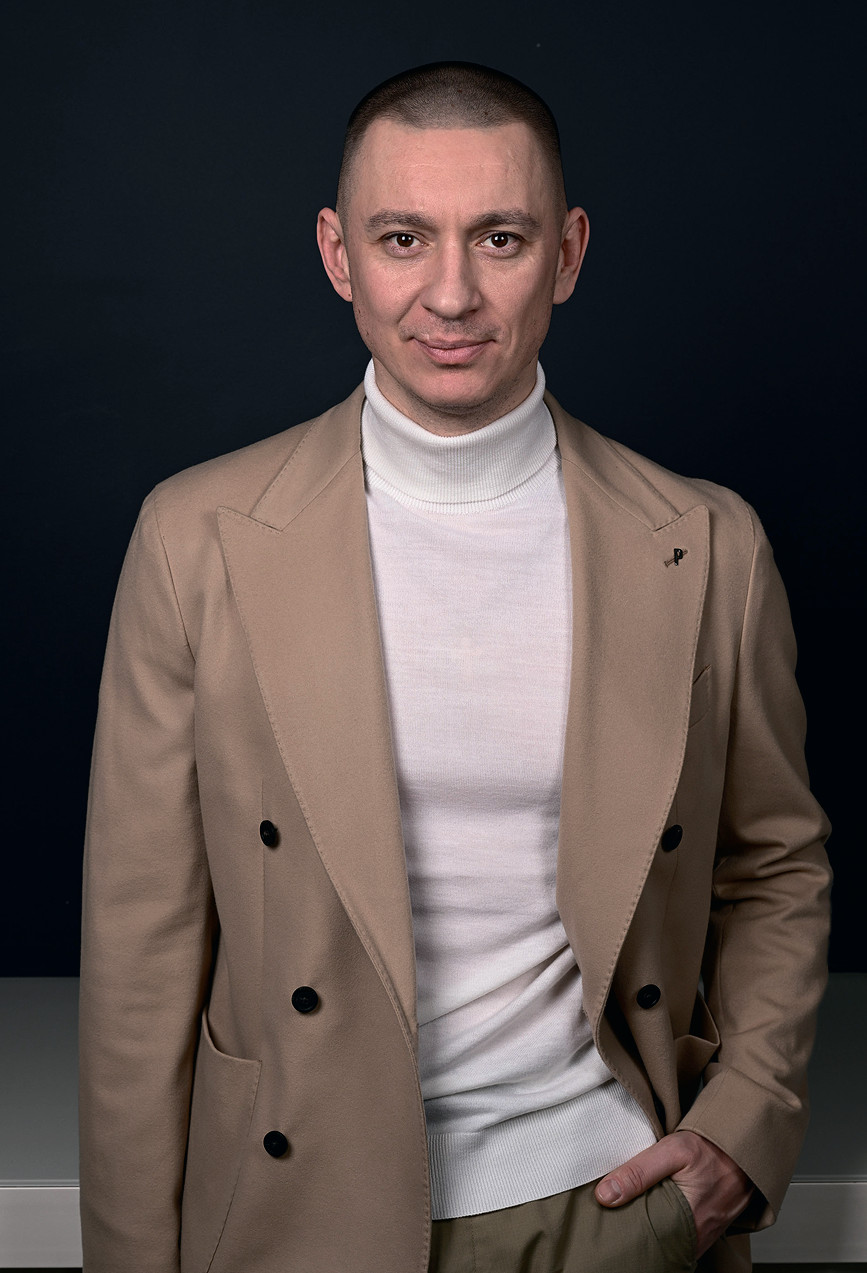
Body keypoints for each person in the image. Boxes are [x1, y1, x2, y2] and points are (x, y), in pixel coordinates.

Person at [78, 62, 831, 1273]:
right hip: (295, 1209)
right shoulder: (197, 537)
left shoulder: (707, 543)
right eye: (402, 238)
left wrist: (746, 1122)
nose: (451, 293)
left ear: (567, 255)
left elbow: (774, 862)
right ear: (338, 255)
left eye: (500, 238)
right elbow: (140, 947)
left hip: (616, 1200)